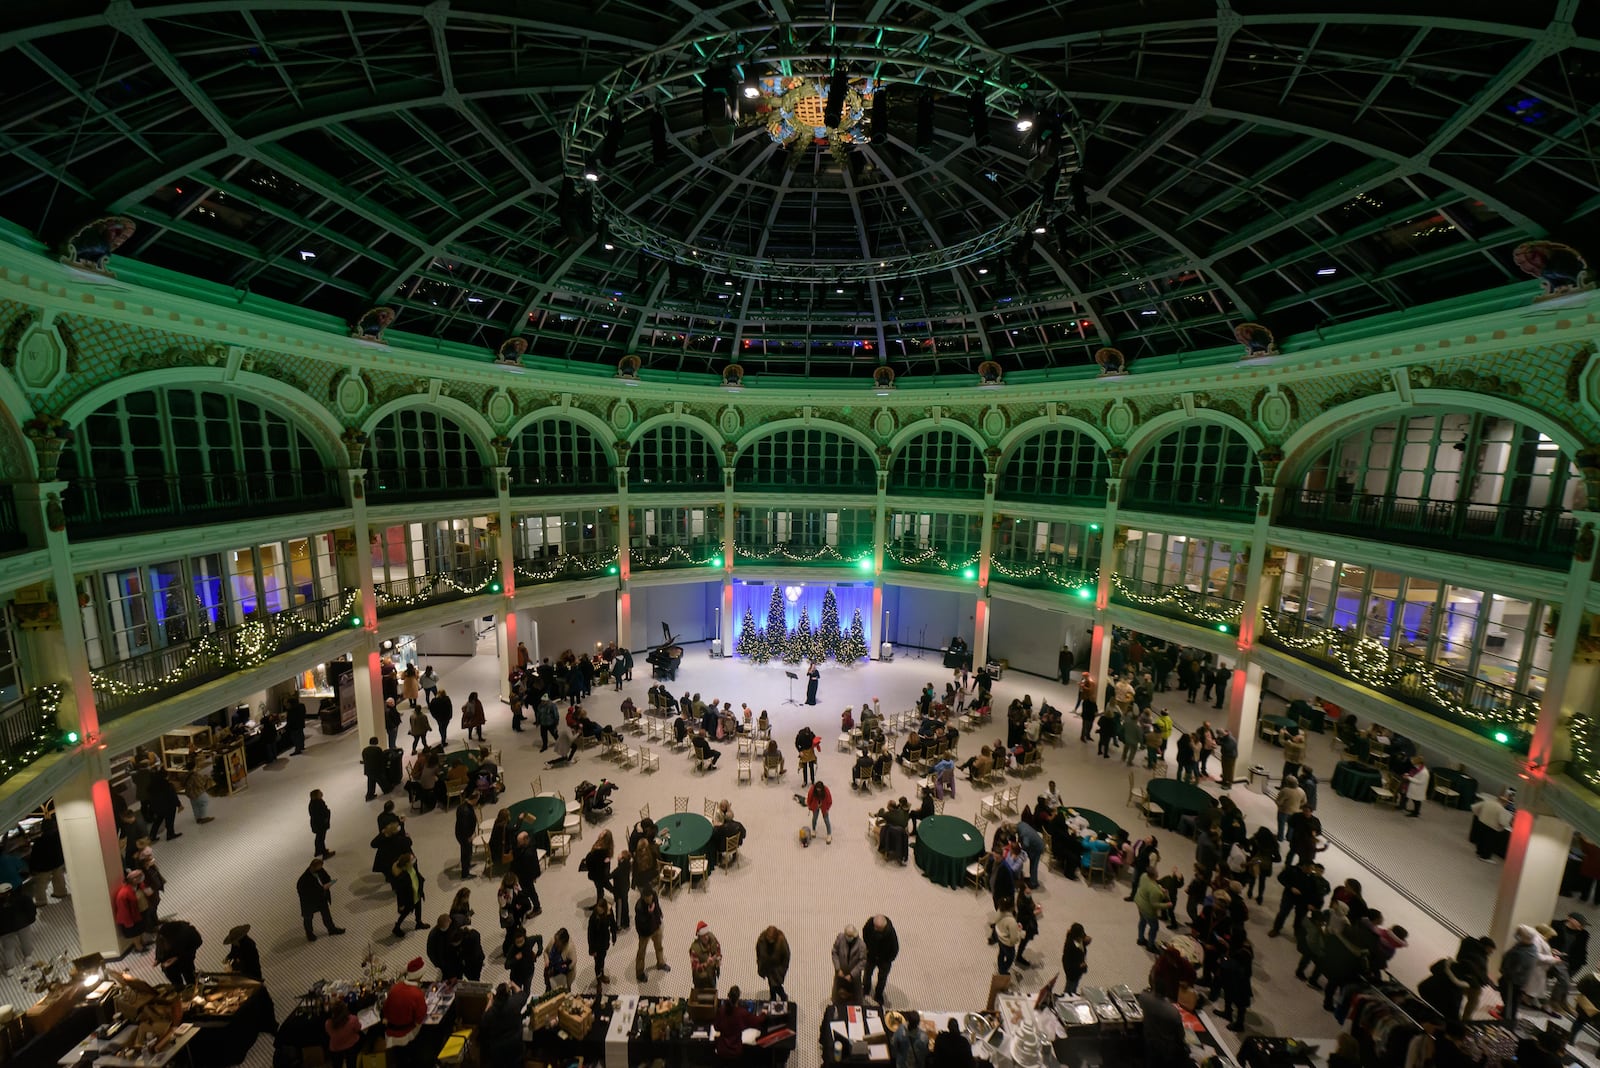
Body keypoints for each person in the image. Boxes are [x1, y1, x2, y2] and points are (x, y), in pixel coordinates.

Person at [382, 958, 429, 1061]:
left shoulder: (395, 987)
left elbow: (386, 1007)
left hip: (391, 1032)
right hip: (406, 1033)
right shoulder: (417, 994)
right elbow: (420, 1017)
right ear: (420, 975)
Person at [1499, 924, 1541, 1027]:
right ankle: (1506, 1013)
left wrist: (1505, 971)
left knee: (1510, 1000)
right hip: (1520, 980)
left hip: (1513, 980)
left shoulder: (1521, 953)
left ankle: (1508, 1023)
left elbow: (1514, 969)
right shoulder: (1531, 947)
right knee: (1512, 999)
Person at [479, 983, 531, 1068]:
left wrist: (490, 1001)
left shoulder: (491, 1012)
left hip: (498, 1054)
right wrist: (513, 984)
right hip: (516, 1049)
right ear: (508, 994)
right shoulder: (515, 1002)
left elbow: (483, 1022)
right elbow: (523, 994)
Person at [296, 856, 345, 941]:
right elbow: (304, 892)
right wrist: (321, 889)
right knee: (308, 918)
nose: (320, 869)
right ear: (312, 867)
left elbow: (327, 878)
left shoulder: (320, 870)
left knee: (326, 914)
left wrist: (327, 884)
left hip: (321, 898)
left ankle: (331, 929)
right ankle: (309, 934)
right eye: (318, 868)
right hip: (309, 902)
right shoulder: (303, 880)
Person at [714, 985, 769, 1061]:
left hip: (721, 1049)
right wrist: (764, 1013)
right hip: (735, 1050)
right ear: (738, 997)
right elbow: (757, 1021)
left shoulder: (721, 1010)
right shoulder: (741, 1013)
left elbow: (716, 1027)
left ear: (728, 995)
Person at [389, 851, 430, 939]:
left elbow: (417, 874)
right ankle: (397, 927)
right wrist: (401, 905)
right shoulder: (402, 877)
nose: (414, 860)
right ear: (406, 864)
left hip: (417, 894)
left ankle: (418, 922)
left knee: (419, 909)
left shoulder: (413, 867)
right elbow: (400, 893)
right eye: (412, 860)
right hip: (409, 898)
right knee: (405, 913)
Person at [634, 887, 671, 982]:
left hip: (656, 928)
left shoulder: (654, 896)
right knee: (641, 953)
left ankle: (661, 963)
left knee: (659, 947)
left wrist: (659, 914)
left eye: (650, 897)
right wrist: (650, 913)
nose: (649, 900)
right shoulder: (639, 907)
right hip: (645, 933)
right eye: (647, 898)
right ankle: (639, 973)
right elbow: (641, 923)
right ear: (644, 897)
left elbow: (657, 905)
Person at [862, 914, 899, 1007]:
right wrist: (867, 947)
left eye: (878, 928)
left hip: (884, 959)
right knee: (867, 973)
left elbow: (895, 950)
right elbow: (865, 932)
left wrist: (887, 960)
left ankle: (878, 994)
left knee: (882, 978)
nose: (875, 929)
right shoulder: (870, 924)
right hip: (871, 955)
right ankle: (865, 988)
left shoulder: (890, 933)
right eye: (875, 927)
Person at [154, 917, 203, 986]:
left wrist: (177, 958)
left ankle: (193, 985)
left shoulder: (186, 933)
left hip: (185, 959)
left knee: (189, 976)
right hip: (170, 966)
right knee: (177, 983)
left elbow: (198, 942)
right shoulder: (162, 936)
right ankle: (180, 988)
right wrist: (158, 959)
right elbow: (160, 948)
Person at [1134, 866, 1169, 950]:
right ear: (1154, 875)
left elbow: (1150, 885)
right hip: (1148, 910)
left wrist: (1160, 888)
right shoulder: (1155, 891)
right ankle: (1150, 945)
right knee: (1154, 927)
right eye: (1156, 872)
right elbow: (1155, 904)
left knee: (1142, 921)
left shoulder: (1144, 875)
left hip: (1139, 902)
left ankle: (1140, 939)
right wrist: (1167, 905)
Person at [113, 869, 148, 951]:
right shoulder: (124, 893)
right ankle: (138, 947)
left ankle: (142, 942)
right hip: (131, 918)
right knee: (135, 934)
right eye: (139, 877)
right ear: (133, 879)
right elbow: (123, 910)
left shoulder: (136, 887)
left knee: (140, 930)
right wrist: (128, 922)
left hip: (137, 914)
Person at [588, 896, 618, 987]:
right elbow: (590, 934)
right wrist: (592, 950)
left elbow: (613, 924)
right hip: (596, 943)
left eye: (601, 909)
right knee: (598, 962)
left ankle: (602, 974)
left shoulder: (609, 913)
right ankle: (599, 979)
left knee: (602, 959)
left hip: (604, 941)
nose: (599, 911)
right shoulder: (594, 917)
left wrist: (614, 936)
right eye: (598, 909)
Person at [756, 925, 791, 1001]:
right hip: (767, 966)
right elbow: (759, 952)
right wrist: (760, 965)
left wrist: (782, 970)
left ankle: (783, 996)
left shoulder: (781, 941)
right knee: (771, 984)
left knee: (776, 984)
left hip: (777, 968)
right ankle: (773, 997)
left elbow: (786, 957)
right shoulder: (762, 939)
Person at [832, 924, 866, 1001]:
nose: (848, 937)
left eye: (850, 936)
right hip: (841, 971)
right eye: (847, 935)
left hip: (854, 974)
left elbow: (862, 961)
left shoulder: (861, 945)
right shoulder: (840, 938)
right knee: (838, 990)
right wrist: (838, 968)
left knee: (856, 992)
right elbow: (835, 952)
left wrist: (852, 975)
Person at [690, 920, 723, 991]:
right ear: (699, 936)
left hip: (712, 974)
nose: (706, 937)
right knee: (702, 995)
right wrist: (706, 964)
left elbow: (718, 949)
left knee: (713, 989)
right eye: (703, 936)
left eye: (707, 934)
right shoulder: (695, 949)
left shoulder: (712, 938)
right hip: (701, 980)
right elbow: (696, 968)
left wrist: (718, 959)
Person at [454, 790, 479, 878]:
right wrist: (469, 836)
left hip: (462, 834)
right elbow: (465, 826)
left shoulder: (463, 806)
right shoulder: (466, 811)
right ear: (474, 799)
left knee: (467, 851)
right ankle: (465, 873)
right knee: (466, 853)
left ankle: (467, 865)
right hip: (464, 836)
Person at [1060, 922, 1091, 995]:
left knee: (1075, 984)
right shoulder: (1070, 946)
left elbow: (1083, 940)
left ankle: (1073, 993)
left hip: (1078, 970)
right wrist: (1079, 966)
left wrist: (1087, 940)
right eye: (1081, 935)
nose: (1083, 936)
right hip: (1072, 972)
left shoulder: (1078, 937)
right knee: (1070, 986)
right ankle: (1067, 996)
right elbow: (1067, 962)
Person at [428, 914, 461, 980]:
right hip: (444, 962)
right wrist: (439, 964)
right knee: (448, 976)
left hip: (456, 956)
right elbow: (430, 952)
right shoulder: (433, 935)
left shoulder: (455, 924)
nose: (443, 929)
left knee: (459, 973)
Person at [307, 788, 335, 859]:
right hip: (320, 825)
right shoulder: (317, 803)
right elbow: (321, 814)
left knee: (318, 838)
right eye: (320, 793)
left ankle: (318, 851)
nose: (322, 793)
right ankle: (324, 853)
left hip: (317, 824)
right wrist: (327, 814)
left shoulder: (314, 803)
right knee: (321, 838)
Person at [361, 736, 388, 801]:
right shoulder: (378, 749)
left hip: (368, 770)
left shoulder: (365, 750)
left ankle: (369, 795)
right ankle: (387, 789)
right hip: (376, 770)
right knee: (382, 781)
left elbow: (364, 760)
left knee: (371, 783)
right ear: (376, 742)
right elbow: (381, 760)